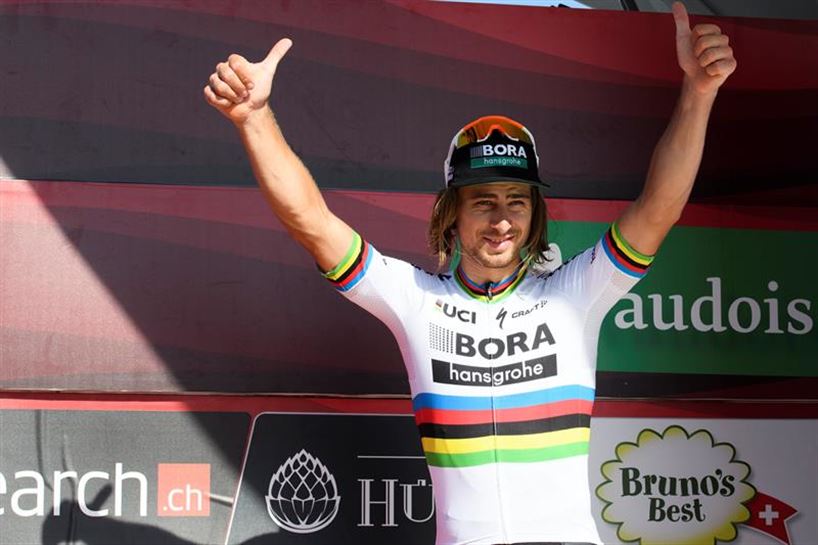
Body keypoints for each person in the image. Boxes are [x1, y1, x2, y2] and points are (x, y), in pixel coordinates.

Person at [203, 2, 736, 544]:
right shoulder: (415, 300)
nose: (502, 220)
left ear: (535, 214)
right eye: (483, 201)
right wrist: (254, 119)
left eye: (517, 201)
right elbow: (312, 223)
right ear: (451, 213)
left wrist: (698, 93)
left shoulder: (576, 295)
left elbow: (658, 208)